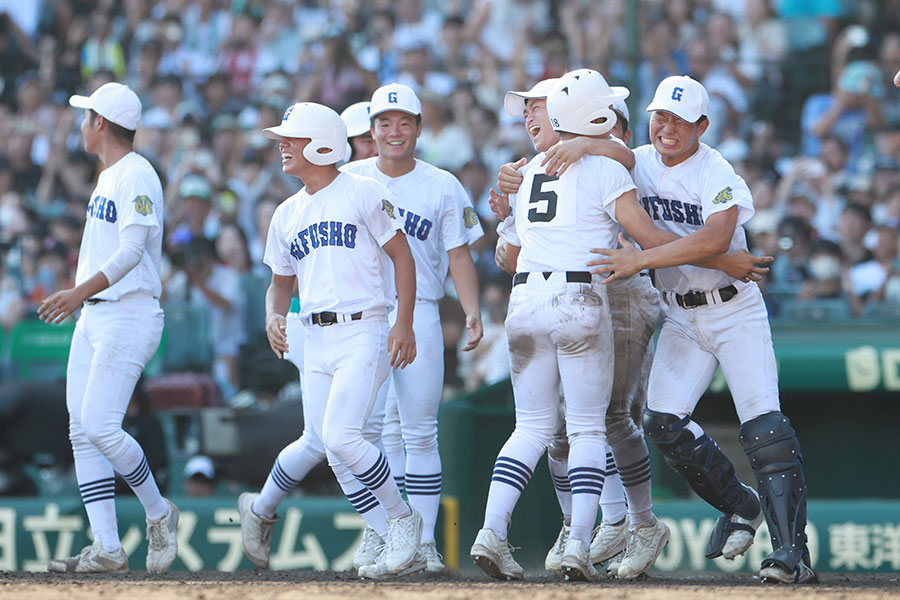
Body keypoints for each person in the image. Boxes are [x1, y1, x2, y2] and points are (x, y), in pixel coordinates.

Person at [588, 75, 816, 584]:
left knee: (765, 428)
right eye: (660, 116)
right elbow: (597, 142)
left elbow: (715, 235)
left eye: (680, 120)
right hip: (681, 312)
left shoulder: (717, 170)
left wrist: (646, 257)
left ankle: (791, 554)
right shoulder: (639, 158)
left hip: (734, 309)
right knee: (663, 423)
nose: (666, 128)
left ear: (702, 126)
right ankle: (741, 505)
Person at [238, 101, 425, 579]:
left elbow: (404, 258)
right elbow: (280, 282)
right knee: (325, 442)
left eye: (291, 137)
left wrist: (403, 322)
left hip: (364, 326)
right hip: (313, 335)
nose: (282, 145)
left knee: (343, 436)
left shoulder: (362, 191)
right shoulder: (286, 212)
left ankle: (403, 520)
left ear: (322, 143)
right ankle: (386, 532)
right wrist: (273, 315)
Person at [493, 78, 663, 580]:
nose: (529, 116)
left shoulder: (604, 140)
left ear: (566, 110)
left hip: (622, 287)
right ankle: (582, 526)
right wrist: (504, 213)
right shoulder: (527, 172)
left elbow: (626, 153)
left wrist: (586, 143)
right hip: (575, 293)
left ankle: (636, 521)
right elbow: (508, 258)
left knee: (610, 418)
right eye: (524, 109)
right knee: (564, 430)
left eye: (537, 106)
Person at [342, 83, 485, 574]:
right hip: (364, 314)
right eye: (384, 123)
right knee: (370, 432)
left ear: (420, 129)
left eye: (404, 122)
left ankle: (421, 543)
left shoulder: (442, 183)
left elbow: (459, 254)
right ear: (371, 130)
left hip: (421, 307)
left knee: (420, 431)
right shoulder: (348, 177)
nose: (394, 131)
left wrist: (471, 310)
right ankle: (384, 534)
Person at [38, 82, 178, 573]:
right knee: (81, 430)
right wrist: (82, 299)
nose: (81, 125)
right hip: (96, 314)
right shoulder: (111, 174)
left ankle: (160, 513)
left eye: (85, 117)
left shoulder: (136, 174)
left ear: (100, 123)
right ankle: (107, 548)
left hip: (128, 310)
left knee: (99, 425)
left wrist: (77, 292)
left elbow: (132, 251)